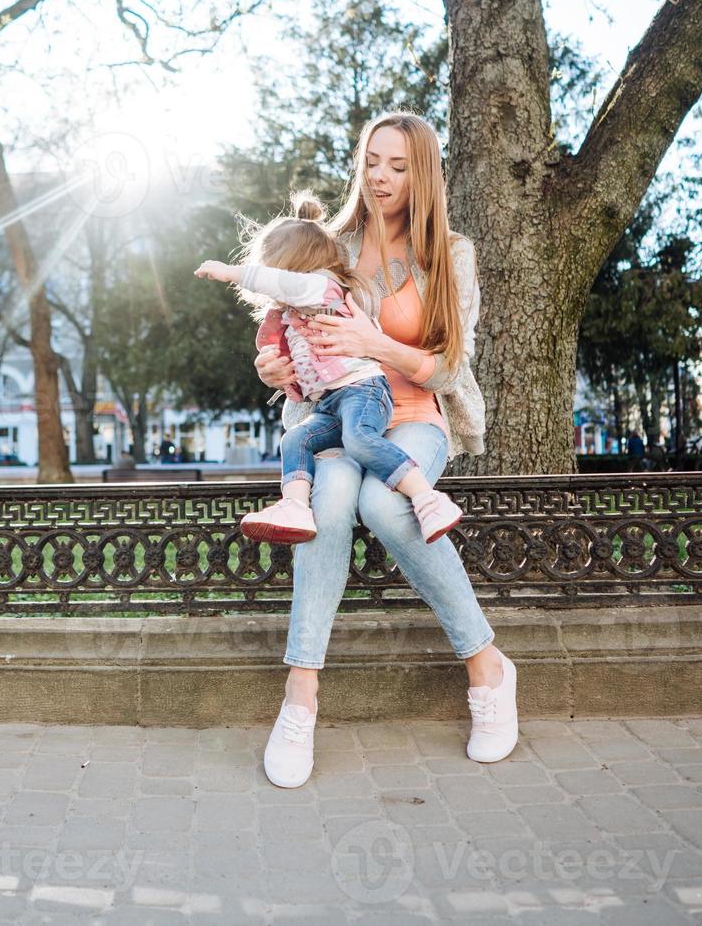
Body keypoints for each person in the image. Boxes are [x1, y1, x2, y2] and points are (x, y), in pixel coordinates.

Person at [250, 112, 514, 788]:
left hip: (416, 416)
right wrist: (273, 371)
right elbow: (284, 330)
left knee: (388, 503)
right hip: (337, 418)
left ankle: (487, 666)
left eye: (398, 166)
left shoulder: (450, 254)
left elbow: (450, 369)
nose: (380, 177)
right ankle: (300, 695)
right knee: (333, 496)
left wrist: (377, 344)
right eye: (372, 160)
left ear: (422, 173)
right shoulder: (330, 243)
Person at [194, 191, 462, 544]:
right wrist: (275, 370)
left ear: (291, 265)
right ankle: (294, 507)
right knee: (296, 439)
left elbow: (282, 283)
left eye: (273, 268)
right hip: (331, 401)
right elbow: (295, 365)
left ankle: (428, 499)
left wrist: (230, 272)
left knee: (358, 437)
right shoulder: (292, 312)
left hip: (364, 391)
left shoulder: (320, 286)